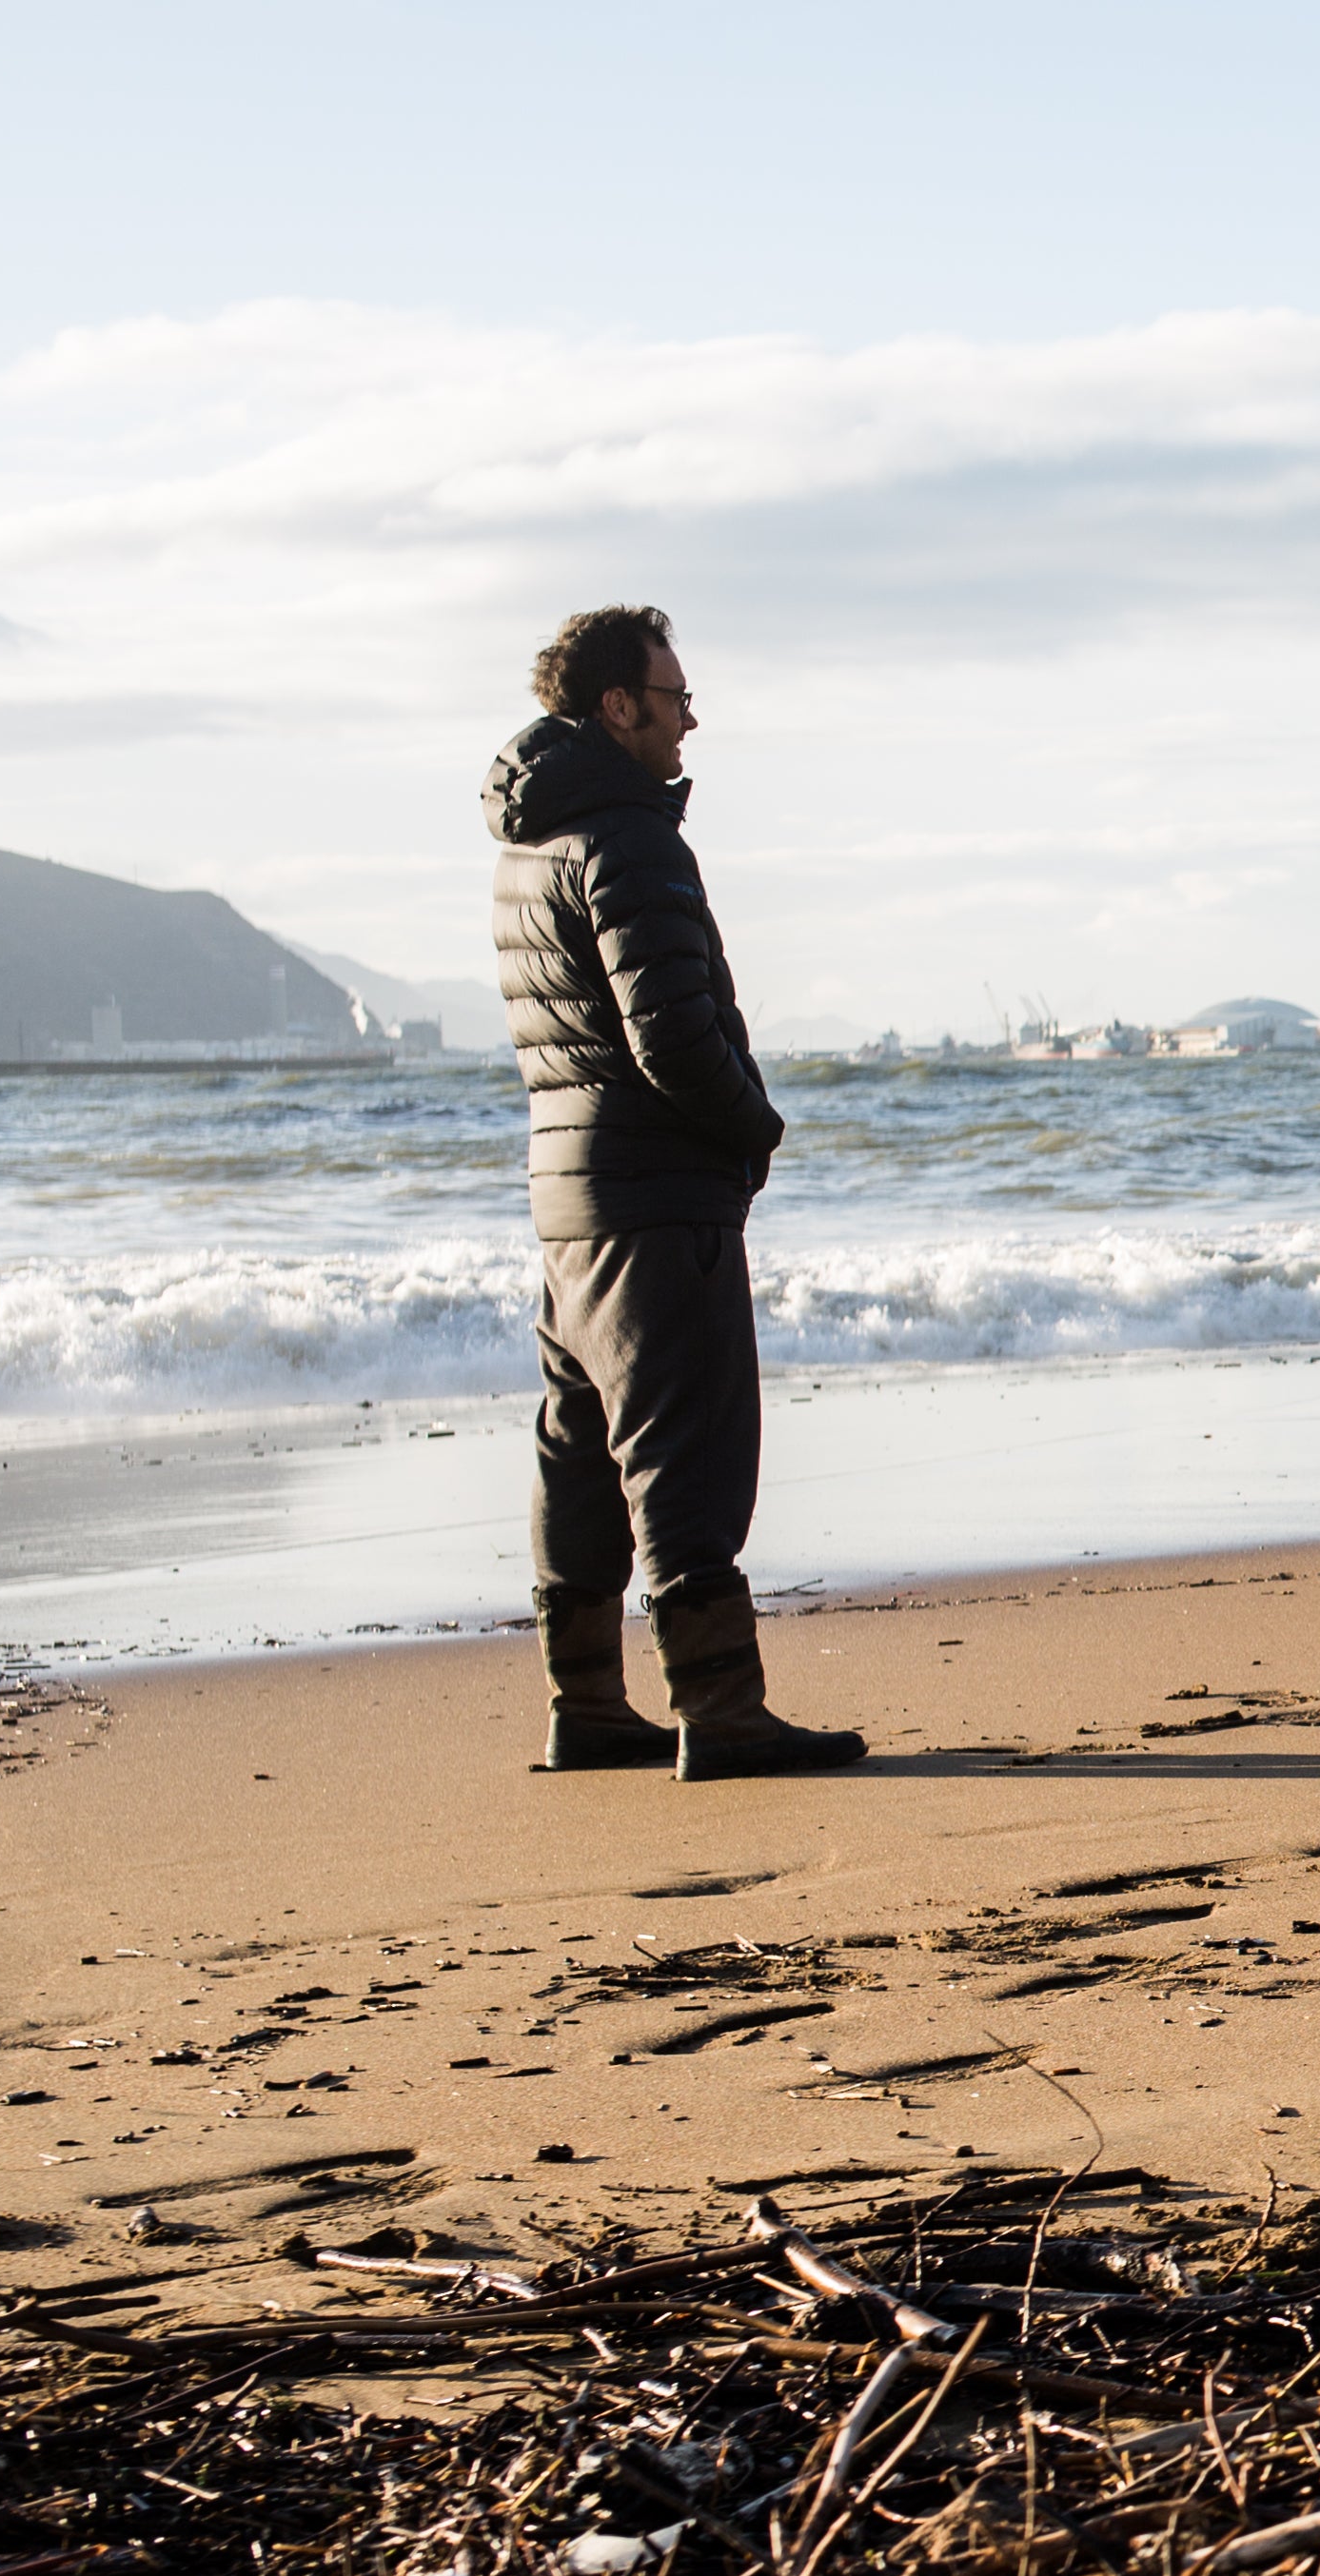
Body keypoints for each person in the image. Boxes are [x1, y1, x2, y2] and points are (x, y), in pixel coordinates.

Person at [487, 605, 859, 1780]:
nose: (689, 719)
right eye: (674, 696)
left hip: (568, 1195)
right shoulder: (629, 838)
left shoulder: (531, 843)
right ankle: (721, 1708)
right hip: (655, 1197)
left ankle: (586, 1701)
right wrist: (755, 1129)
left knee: (585, 1452)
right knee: (684, 1451)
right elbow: (673, 1040)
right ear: (616, 705)